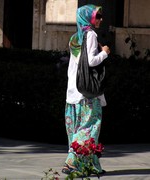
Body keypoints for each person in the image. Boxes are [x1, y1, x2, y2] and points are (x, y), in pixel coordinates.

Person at [62, 4, 110, 175]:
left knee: (77, 128)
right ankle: (72, 162)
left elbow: (74, 66)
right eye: (97, 16)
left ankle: (91, 165)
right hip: (87, 92)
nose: (100, 19)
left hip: (74, 91)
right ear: (88, 18)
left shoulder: (75, 38)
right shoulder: (90, 35)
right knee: (89, 128)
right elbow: (91, 61)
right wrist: (104, 52)